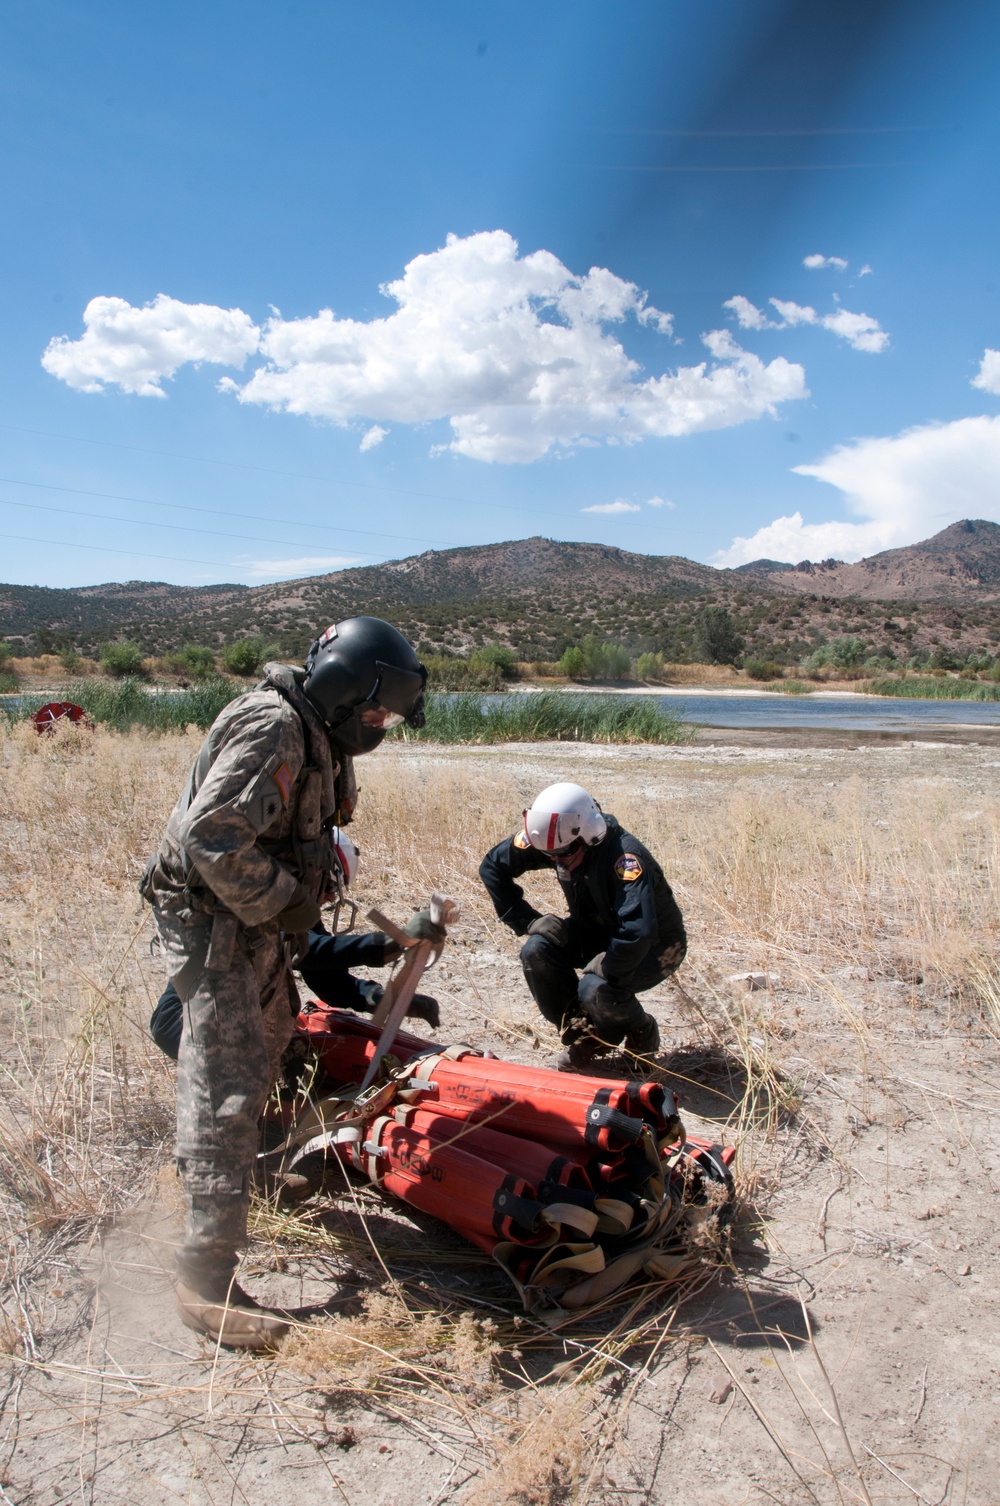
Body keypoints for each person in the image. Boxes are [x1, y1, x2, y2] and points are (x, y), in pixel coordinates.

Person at [140, 616, 439, 1349]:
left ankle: (263, 1173)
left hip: (253, 918)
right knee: (227, 1080)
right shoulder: (274, 727)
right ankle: (203, 1276)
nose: (378, 725)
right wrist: (288, 901)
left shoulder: (322, 739)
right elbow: (211, 837)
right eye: (375, 710)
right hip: (214, 920)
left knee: (276, 1033)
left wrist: (300, 908)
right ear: (341, 690)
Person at [148, 828, 439, 1060]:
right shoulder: (263, 895)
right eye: (329, 887)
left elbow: (329, 981)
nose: (330, 899)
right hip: (182, 1021)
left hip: (224, 1021)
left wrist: (385, 999)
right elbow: (312, 951)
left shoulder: (297, 910)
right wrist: (391, 943)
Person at [479, 782, 686, 1072]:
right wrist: (527, 920)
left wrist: (609, 964)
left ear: (588, 836)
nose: (555, 861)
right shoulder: (557, 839)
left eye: (562, 856)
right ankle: (588, 1034)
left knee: (595, 987)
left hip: (656, 946)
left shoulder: (624, 857)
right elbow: (492, 867)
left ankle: (641, 1030)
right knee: (536, 951)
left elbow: (639, 930)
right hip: (598, 931)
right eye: (550, 855)